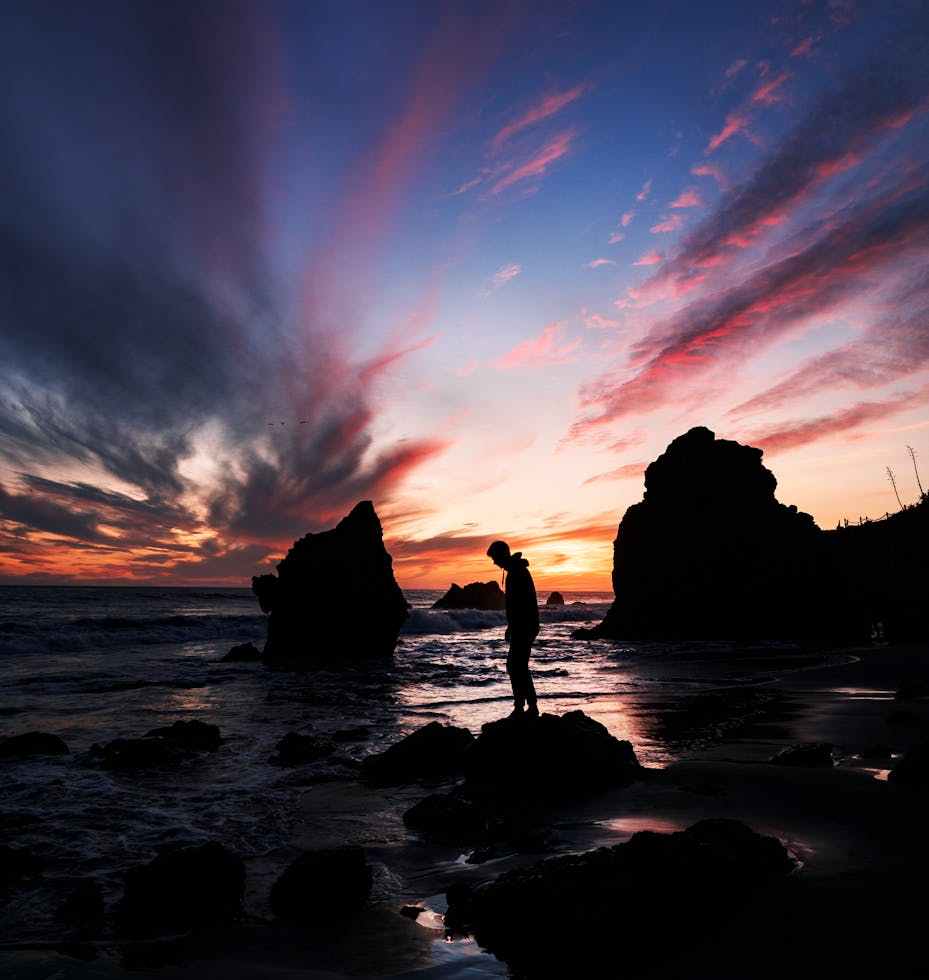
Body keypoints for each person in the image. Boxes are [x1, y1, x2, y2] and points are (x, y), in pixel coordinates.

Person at [487, 540, 540, 718]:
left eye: (494, 558)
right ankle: (526, 705)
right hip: (523, 625)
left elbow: (522, 604)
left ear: (501, 555)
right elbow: (516, 605)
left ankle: (525, 707)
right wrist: (511, 626)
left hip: (524, 625)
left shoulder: (517, 572)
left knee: (516, 666)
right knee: (517, 666)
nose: (494, 562)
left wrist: (516, 626)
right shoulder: (515, 570)